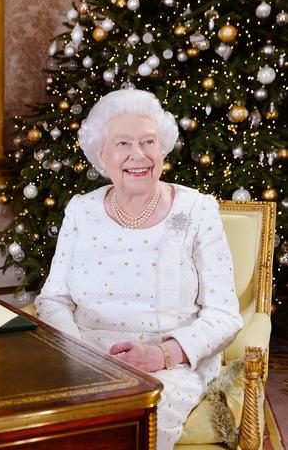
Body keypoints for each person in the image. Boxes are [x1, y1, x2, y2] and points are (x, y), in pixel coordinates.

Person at [33, 89, 243, 450]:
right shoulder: (81, 211)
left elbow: (224, 315)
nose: (138, 155)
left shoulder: (196, 211)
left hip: (168, 365)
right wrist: (78, 352)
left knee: (132, 419)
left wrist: (163, 354)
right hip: (84, 356)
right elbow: (54, 298)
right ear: (101, 155)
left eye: (149, 142)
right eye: (123, 143)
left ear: (163, 150)